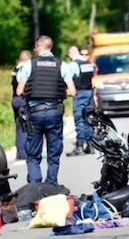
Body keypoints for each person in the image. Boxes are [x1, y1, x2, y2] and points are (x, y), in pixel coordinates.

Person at [16, 35, 76, 185]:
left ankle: (35, 185)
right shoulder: (62, 65)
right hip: (54, 112)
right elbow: (73, 92)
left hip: (35, 113)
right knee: (54, 152)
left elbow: (19, 91)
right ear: (51, 47)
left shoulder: (29, 64)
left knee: (33, 153)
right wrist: (57, 93)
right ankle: (51, 184)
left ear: (38, 46)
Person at [66, 45, 96, 156]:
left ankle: (79, 146)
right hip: (89, 92)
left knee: (79, 119)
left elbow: (68, 79)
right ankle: (90, 145)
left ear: (70, 53)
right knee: (88, 118)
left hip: (80, 93)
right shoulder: (88, 62)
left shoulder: (73, 64)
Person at [11, 50, 32, 160]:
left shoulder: (16, 68)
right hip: (23, 99)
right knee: (25, 127)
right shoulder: (26, 69)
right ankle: (23, 152)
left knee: (19, 126)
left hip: (15, 99)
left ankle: (20, 151)